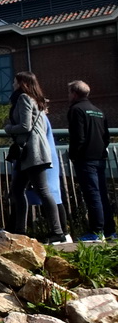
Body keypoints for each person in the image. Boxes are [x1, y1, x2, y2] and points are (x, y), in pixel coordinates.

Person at [4, 71, 65, 243]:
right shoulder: (36, 100)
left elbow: (25, 125)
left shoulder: (23, 98)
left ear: (21, 83)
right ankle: (20, 231)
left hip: (33, 151)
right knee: (18, 190)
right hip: (32, 151)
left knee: (42, 191)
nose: (12, 84)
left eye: (15, 81)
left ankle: (57, 231)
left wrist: (8, 128)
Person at [67, 79, 116, 242]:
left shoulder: (76, 110)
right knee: (102, 194)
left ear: (74, 93)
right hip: (100, 158)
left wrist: (73, 154)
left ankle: (96, 231)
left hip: (85, 159)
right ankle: (110, 231)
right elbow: (106, 137)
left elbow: (77, 137)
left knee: (92, 194)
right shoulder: (98, 111)